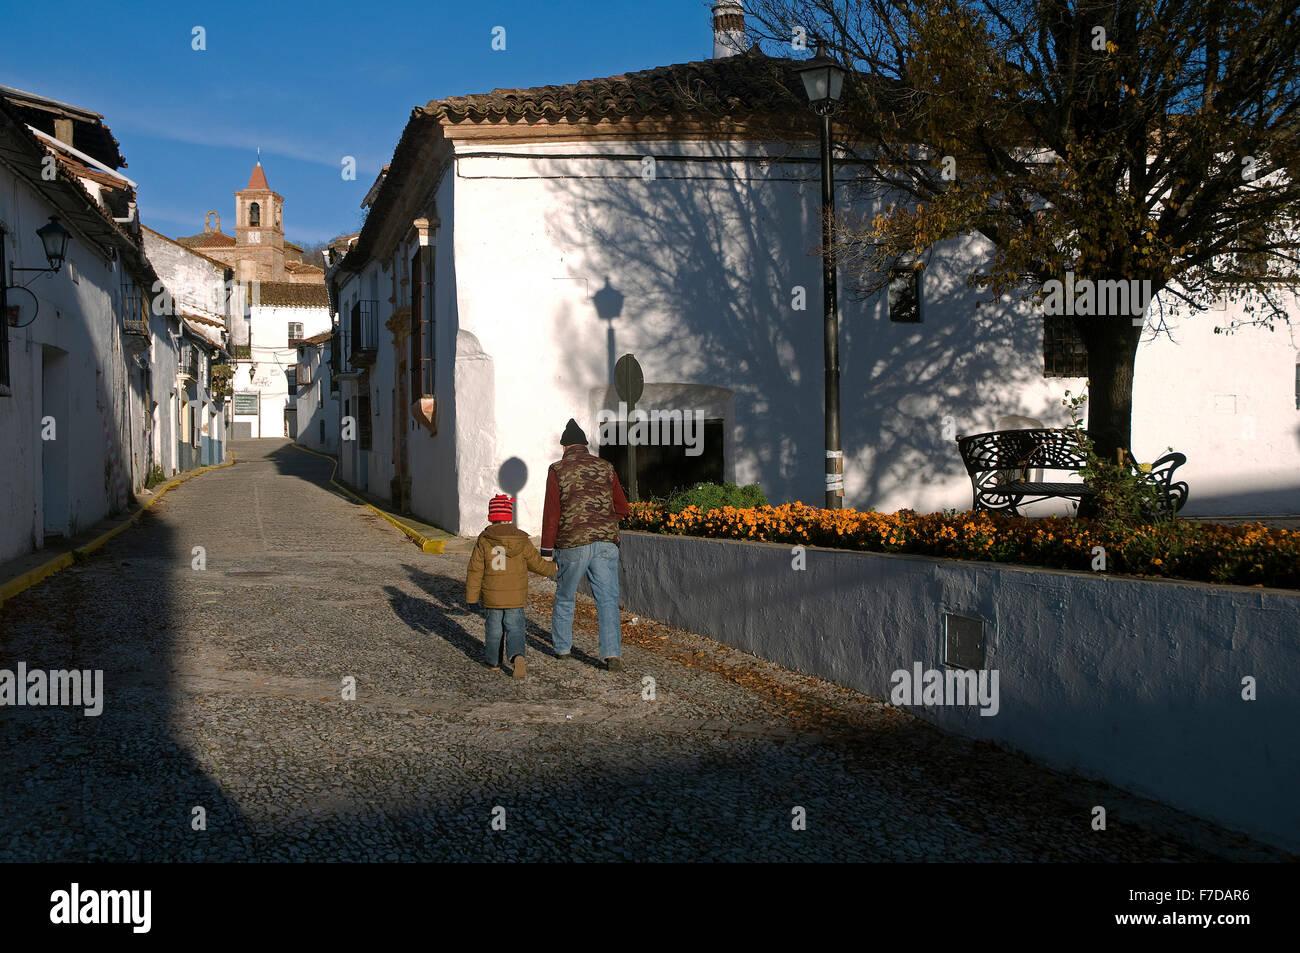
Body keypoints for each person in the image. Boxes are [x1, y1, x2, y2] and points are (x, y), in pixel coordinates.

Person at [541, 419, 630, 671]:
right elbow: (622, 507)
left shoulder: (557, 469)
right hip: (605, 542)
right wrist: (602, 522)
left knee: (566, 596)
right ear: (585, 445)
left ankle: (562, 649)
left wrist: (546, 551)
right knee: (607, 600)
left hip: (572, 543)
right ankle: (612, 654)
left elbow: (552, 513)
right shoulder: (606, 467)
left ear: (564, 446)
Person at [465, 494, 556, 679]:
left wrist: (471, 598)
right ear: (509, 516)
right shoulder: (521, 540)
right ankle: (517, 657)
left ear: (491, 517)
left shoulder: (484, 539)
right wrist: (551, 568)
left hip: (492, 598)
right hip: (515, 597)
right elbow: (536, 563)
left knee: (494, 628)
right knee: (515, 627)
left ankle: (493, 662)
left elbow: (475, 571)